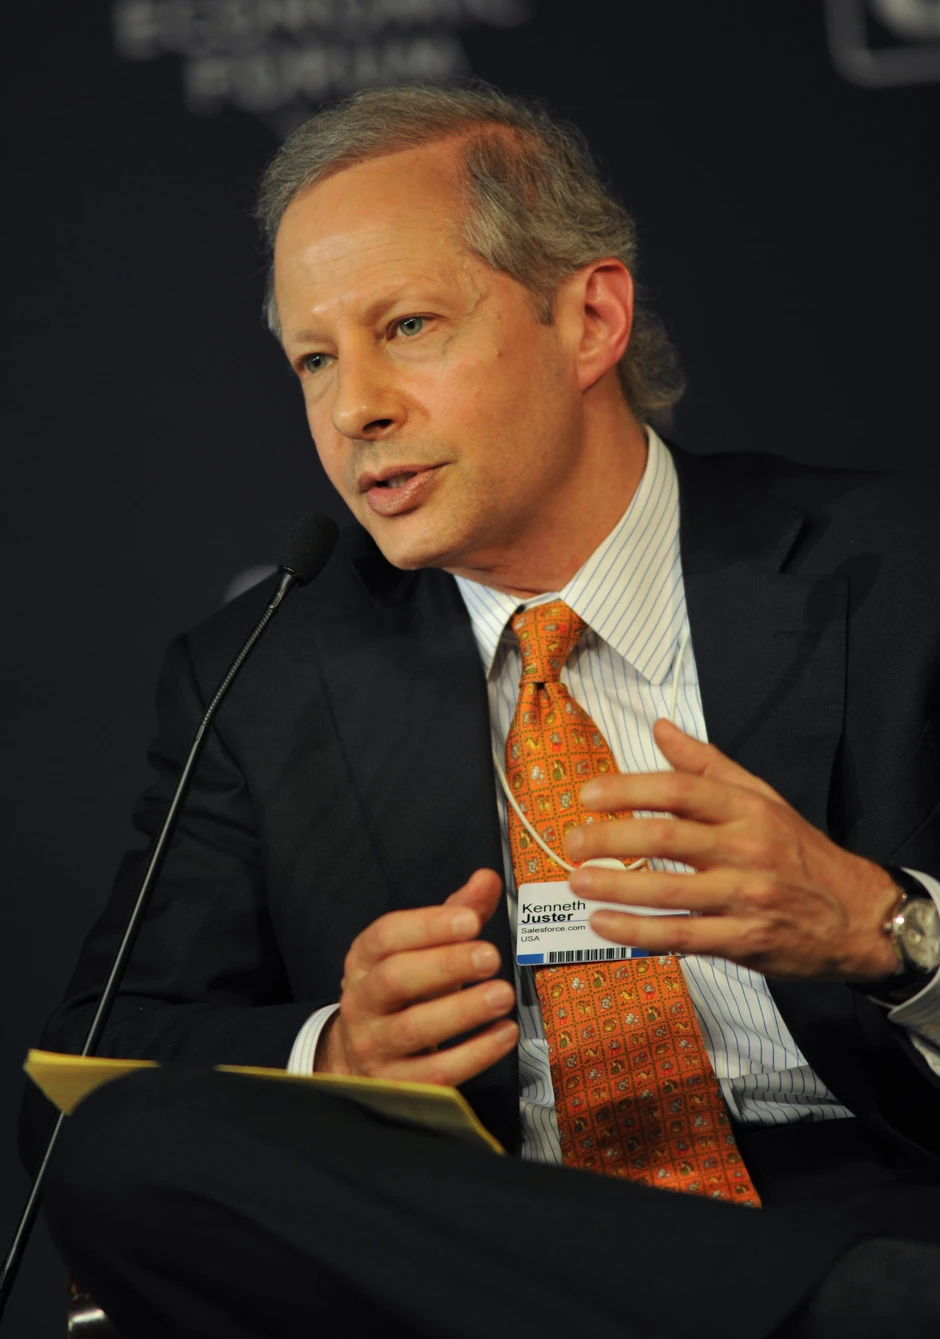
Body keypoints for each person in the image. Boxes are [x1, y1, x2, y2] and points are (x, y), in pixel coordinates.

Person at [22, 84, 940, 1339]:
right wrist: (336, 1054)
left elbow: (893, 942)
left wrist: (884, 929)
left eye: (407, 326)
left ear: (589, 318)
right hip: (483, 1251)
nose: (354, 408)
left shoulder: (896, 573)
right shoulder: (266, 674)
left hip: (860, 1198)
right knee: (125, 1136)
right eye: (314, 360)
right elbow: (87, 1071)